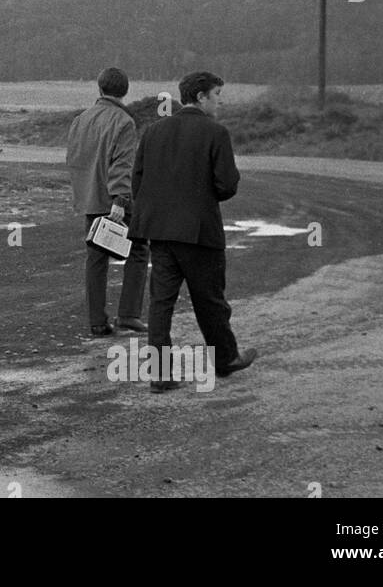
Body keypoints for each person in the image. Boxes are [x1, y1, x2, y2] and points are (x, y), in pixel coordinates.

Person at [129, 70, 258, 392]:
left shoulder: (153, 132)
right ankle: (226, 360)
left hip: (160, 233)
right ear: (201, 97)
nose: (220, 101)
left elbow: (138, 182)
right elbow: (227, 186)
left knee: (161, 304)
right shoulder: (216, 133)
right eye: (217, 95)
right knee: (210, 301)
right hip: (200, 232)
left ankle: (160, 375)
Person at [65, 67, 149, 337]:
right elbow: (122, 164)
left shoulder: (80, 119)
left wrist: (83, 192)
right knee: (138, 250)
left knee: (96, 258)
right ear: (124, 91)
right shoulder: (124, 121)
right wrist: (121, 199)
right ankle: (128, 314)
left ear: (99, 88)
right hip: (114, 199)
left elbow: (74, 159)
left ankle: (97, 321)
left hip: (89, 197)